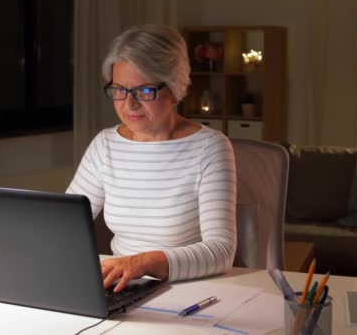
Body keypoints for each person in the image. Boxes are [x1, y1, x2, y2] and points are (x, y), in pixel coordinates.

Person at [67, 24, 236, 292]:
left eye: (144, 91)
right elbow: (68, 222)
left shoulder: (210, 147)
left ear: (175, 89)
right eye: (119, 90)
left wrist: (143, 263)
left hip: (188, 289)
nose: (129, 104)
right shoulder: (105, 144)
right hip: (121, 287)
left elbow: (221, 251)